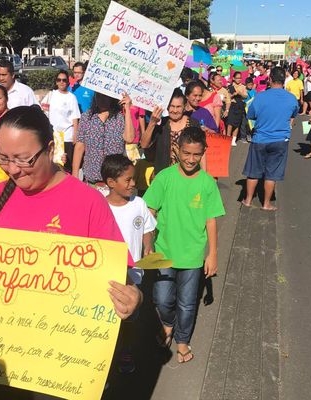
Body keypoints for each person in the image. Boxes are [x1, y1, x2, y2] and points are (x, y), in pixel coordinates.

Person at [0, 106, 142, 398]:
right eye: (3, 157)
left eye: (24, 159)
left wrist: (133, 298)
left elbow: (121, 275)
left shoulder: (88, 201)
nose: (12, 169)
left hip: (59, 367)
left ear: (50, 149)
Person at [143, 127, 225, 364]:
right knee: (161, 299)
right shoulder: (164, 178)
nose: (190, 159)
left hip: (192, 256)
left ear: (203, 153)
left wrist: (212, 254)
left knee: (188, 304)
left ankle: (182, 339)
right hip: (163, 251)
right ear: (177, 150)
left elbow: (211, 220)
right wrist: (147, 238)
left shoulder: (208, 183)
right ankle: (168, 323)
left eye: (196, 155)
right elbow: (150, 209)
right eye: (186, 153)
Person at [102, 154, 156, 374]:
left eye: (133, 179)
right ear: (111, 183)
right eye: (128, 180)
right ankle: (105, 354)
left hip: (134, 275)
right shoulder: (100, 207)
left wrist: (148, 246)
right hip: (107, 274)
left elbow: (147, 228)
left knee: (130, 315)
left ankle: (126, 350)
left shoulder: (139, 204)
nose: (133, 184)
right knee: (107, 316)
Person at [241, 67, 299, 211]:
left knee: (253, 171)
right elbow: (294, 113)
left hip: (260, 138)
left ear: (270, 79)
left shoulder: (260, 96)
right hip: (280, 139)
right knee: (271, 174)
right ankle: (266, 203)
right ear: (284, 80)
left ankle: (248, 200)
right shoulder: (291, 98)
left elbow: (250, 115)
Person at [72, 93, 135, 188]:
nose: (102, 99)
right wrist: (75, 173)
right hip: (92, 180)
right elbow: (80, 146)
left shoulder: (120, 117)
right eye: (99, 95)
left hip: (115, 180)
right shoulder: (87, 117)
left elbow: (129, 138)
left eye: (105, 96)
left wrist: (128, 110)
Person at [141, 89, 201, 174]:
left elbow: (201, 151)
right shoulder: (161, 124)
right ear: (167, 106)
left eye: (178, 107)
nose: (175, 110)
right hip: (164, 175)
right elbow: (144, 144)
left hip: (188, 175)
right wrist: (152, 123)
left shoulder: (193, 124)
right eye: (172, 106)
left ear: (184, 106)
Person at [42, 70, 80, 174]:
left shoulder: (71, 97)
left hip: (66, 136)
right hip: (53, 136)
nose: (61, 82)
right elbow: (43, 112)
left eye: (64, 80)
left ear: (68, 82)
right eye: (59, 80)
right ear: (56, 82)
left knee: (66, 167)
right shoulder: (51, 95)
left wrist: (75, 135)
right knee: (53, 166)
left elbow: (75, 117)